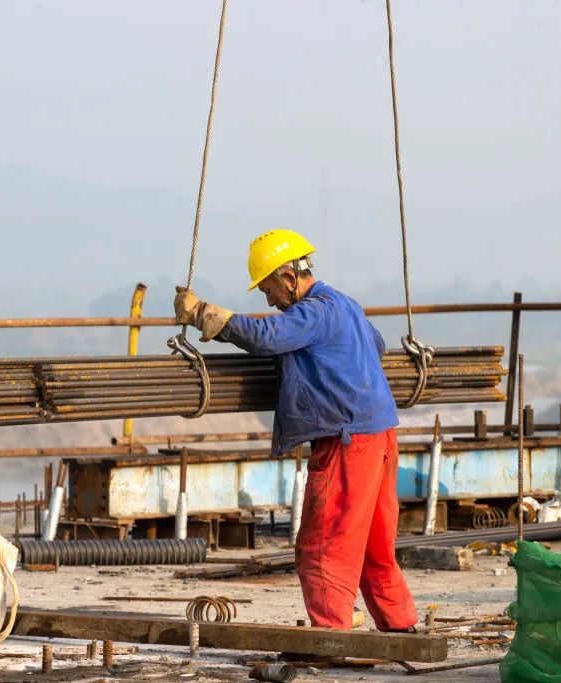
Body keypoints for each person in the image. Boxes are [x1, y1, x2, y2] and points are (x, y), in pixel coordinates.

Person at [173, 228, 417, 632]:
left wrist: (203, 313)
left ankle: (330, 638)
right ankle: (400, 625)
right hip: (381, 436)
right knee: (374, 545)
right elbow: (376, 345)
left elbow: (267, 336)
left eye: (268, 289)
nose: (269, 300)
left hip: (346, 442)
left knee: (323, 546)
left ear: (289, 277)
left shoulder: (315, 312)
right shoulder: (346, 305)